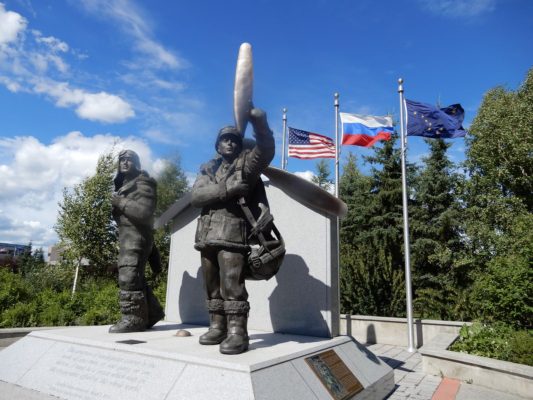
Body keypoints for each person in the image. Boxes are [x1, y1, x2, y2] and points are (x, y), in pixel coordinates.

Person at [191, 108, 275, 354]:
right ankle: (218, 326)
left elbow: (266, 149)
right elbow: (196, 196)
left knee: (232, 285)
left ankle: (238, 332)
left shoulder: (246, 166)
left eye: (234, 140)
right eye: (224, 139)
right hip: (206, 236)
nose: (229, 142)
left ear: (239, 145)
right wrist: (226, 190)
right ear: (218, 146)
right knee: (211, 284)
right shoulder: (207, 169)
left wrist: (260, 123)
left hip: (232, 235)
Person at [109, 149, 165, 333]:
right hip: (128, 236)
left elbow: (145, 213)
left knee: (129, 277)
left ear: (137, 164)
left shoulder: (144, 183)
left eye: (129, 160)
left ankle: (134, 319)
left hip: (136, 238)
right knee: (135, 278)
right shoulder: (124, 184)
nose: (124, 163)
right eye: (122, 160)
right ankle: (153, 312)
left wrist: (120, 203)